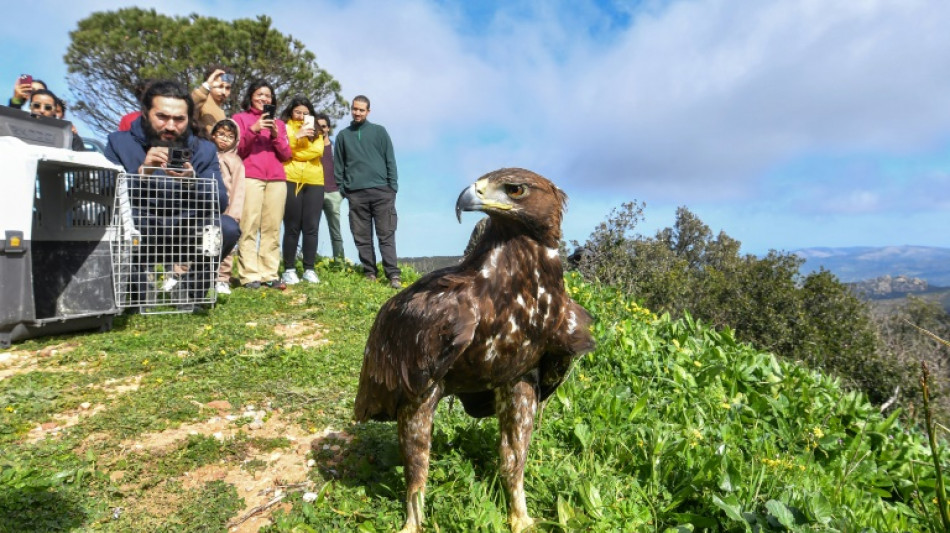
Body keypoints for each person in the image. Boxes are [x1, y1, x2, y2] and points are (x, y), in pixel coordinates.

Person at [103, 80, 239, 306]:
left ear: (188, 119)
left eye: (179, 119)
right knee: (113, 223)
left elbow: (220, 202)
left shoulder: (203, 149)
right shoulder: (118, 143)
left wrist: (193, 182)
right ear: (145, 114)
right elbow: (106, 197)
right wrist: (142, 174)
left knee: (226, 227)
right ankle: (139, 292)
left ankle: (189, 291)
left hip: (185, 229)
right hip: (140, 228)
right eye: (162, 117)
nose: (170, 126)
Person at [333, 95, 400, 288]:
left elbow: (390, 160)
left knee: (385, 234)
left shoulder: (379, 132)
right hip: (356, 194)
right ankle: (370, 272)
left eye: (361, 110)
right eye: (355, 109)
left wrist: (392, 187)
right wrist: (345, 190)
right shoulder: (343, 136)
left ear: (368, 111)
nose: (357, 113)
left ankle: (393, 275)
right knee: (361, 236)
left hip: (382, 192)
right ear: (351, 109)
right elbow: (339, 166)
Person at [232, 79, 292, 290]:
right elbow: (237, 150)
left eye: (267, 96)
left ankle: (270, 273)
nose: (263, 99)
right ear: (250, 96)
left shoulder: (280, 124)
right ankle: (249, 275)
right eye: (259, 94)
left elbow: (286, 155)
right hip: (250, 177)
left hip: (277, 179)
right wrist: (254, 129)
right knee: (249, 226)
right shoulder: (239, 119)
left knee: (272, 228)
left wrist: (276, 136)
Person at [279, 96, 323, 285]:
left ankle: (309, 269)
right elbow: (283, 149)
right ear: (291, 112)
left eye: (305, 113)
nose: (301, 116)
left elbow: (317, 151)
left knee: (311, 227)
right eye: (298, 112)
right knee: (292, 226)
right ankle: (289, 269)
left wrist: (294, 151)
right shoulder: (284, 128)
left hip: (314, 181)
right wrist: (296, 138)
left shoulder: (317, 130)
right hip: (290, 178)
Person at [210, 119, 246, 295]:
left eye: (230, 137)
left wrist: (234, 214)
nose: (225, 139)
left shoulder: (235, 161)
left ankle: (222, 278)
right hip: (203, 208)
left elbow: (239, 189)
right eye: (221, 134)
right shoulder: (204, 155)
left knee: (225, 244)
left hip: (226, 209)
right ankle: (179, 275)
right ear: (213, 134)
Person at [316, 113, 344, 261]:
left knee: (336, 232)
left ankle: (339, 263)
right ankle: (309, 264)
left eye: (324, 126)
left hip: (334, 193)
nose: (321, 129)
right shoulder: (311, 149)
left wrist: (342, 192)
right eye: (318, 126)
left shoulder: (336, 148)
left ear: (328, 128)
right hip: (314, 192)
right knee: (311, 230)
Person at [191, 67, 232, 136]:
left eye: (227, 88)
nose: (224, 92)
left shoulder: (221, 111)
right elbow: (190, 107)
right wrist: (206, 86)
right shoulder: (201, 102)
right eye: (220, 87)